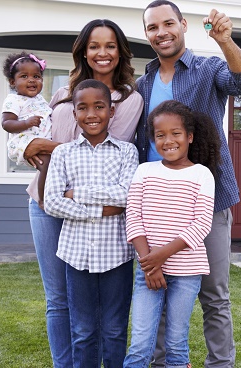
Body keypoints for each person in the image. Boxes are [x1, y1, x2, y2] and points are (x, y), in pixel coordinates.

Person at [135, 2, 241, 367]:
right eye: (153, 27)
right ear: (147, 34)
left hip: (207, 200)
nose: (162, 32)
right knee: (156, 289)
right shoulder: (143, 82)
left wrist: (225, 41)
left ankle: (220, 364)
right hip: (157, 206)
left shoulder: (207, 69)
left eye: (169, 23)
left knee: (214, 296)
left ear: (183, 25)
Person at [23, 18, 143, 368]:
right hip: (44, 199)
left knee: (101, 311)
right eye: (94, 46)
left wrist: (47, 145)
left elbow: (99, 145)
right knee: (58, 298)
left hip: (87, 204)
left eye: (109, 46)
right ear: (83, 51)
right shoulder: (62, 93)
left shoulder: (129, 99)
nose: (101, 53)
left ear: (120, 52)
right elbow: (52, 145)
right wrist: (33, 143)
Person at [44, 79, 139, 368]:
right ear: (74, 114)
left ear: (111, 111)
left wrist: (78, 194)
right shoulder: (63, 153)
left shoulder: (127, 151)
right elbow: (51, 202)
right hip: (76, 255)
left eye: (99, 106)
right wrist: (99, 210)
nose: (91, 114)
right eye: (83, 108)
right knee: (83, 331)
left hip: (116, 256)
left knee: (114, 329)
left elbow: (126, 194)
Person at [124, 100, 221, 368]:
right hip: (148, 272)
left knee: (177, 342)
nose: (168, 141)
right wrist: (149, 265)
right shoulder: (144, 171)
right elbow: (133, 218)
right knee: (140, 344)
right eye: (160, 135)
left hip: (187, 272)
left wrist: (159, 258)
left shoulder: (202, 175)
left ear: (189, 137)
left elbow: (201, 224)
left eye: (176, 133)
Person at [0, 52, 52, 207]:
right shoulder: (13, 100)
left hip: (38, 139)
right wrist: (26, 123)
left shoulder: (40, 100)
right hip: (22, 140)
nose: (31, 80)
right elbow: (7, 123)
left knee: (52, 165)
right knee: (47, 164)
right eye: (24, 76)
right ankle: (42, 198)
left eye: (36, 76)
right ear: (12, 82)